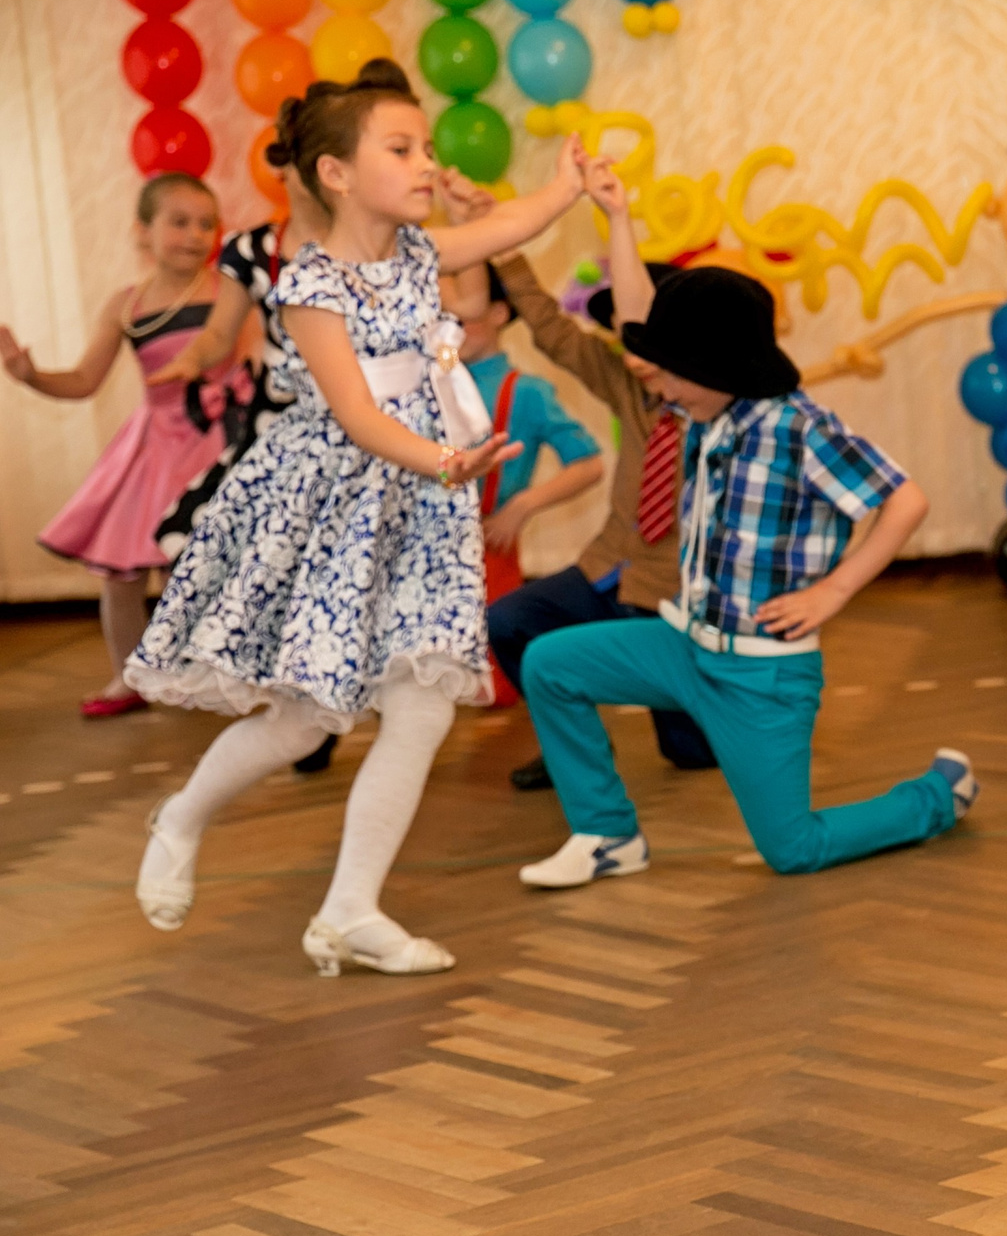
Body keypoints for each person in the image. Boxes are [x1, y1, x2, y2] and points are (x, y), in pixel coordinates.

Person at [126, 60, 595, 973]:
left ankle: (349, 909)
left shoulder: (419, 254)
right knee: (307, 719)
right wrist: (447, 462)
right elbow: (356, 415)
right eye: (402, 148)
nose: (426, 163)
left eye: (427, 147)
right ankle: (181, 815)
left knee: (420, 710)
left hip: (421, 506)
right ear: (335, 173)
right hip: (338, 506)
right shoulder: (307, 286)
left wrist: (565, 186)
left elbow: (498, 225)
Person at [514, 156, 974, 889]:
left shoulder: (799, 428)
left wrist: (835, 591)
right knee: (550, 665)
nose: (651, 377)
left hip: (762, 676)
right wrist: (618, 217)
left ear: (715, 366)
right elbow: (639, 325)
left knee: (793, 847)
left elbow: (905, 499)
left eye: (667, 367)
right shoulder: (702, 409)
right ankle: (607, 835)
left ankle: (935, 797)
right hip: (681, 642)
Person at [452, 229, 716, 790]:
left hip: (668, 593)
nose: (636, 355)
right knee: (510, 620)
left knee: (691, 751)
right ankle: (574, 742)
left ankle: (705, 708)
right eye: (626, 338)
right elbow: (552, 331)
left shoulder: (718, 410)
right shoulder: (629, 385)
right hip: (605, 570)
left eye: (648, 339)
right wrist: (504, 248)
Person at [0, 173, 229, 717]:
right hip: (152, 447)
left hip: (217, 442)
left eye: (205, 223)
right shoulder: (126, 306)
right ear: (142, 232)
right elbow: (83, 380)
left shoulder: (228, 292)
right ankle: (130, 675)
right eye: (178, 222)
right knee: (122, 573)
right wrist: (30, 374)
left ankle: (214, 671)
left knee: (195, 564)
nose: (194, 235)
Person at [150, 175, 344, 771]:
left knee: (335, 564)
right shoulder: (251, 248)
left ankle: (327, 690)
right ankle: (293, 688)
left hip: (352, 423)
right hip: (277, 424)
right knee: (194, 532)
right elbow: (218, 335)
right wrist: (193, 357)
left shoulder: (366, 238)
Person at [431, 260, 603, 706]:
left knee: (493, 685)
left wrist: (523, 505)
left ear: (499, 314)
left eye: (462, 316)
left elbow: (588, 464)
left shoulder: (526, 391)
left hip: (490, 546)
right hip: (424, 545)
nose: (449, 329)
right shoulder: (437, 380)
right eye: (441, 316)